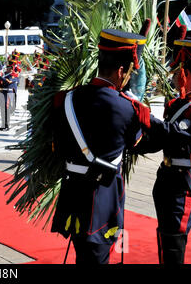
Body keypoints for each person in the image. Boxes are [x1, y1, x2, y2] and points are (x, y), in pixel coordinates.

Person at [50, 28, 153, 264]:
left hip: (73, 193)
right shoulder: (129, 109)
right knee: (98, 258)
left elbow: (58, 146)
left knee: (82, 256)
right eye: (128, 73)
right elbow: (136, 143)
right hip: (102, 198)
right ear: (120, 71)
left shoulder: (65, 99)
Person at [138, 38, 191, 264]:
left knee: (173, 244)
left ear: (185, 73)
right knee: (166, 240)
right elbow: (159, 141)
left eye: (177, 69)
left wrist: (144, 117)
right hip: (167, 181)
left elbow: (176, 132)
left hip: (184, 185)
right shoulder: (179, 103)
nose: (173, 75)